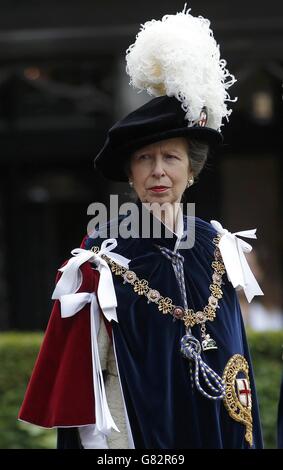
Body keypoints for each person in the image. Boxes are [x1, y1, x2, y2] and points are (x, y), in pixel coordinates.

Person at [18, 7, 264, 449]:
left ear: (191, 170)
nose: (158, 172)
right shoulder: (101, 254)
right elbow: (86, 377)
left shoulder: (217, 246)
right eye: (144, 159)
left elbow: (236, 359)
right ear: (130, 175)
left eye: (170, 158)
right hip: (136, 437)